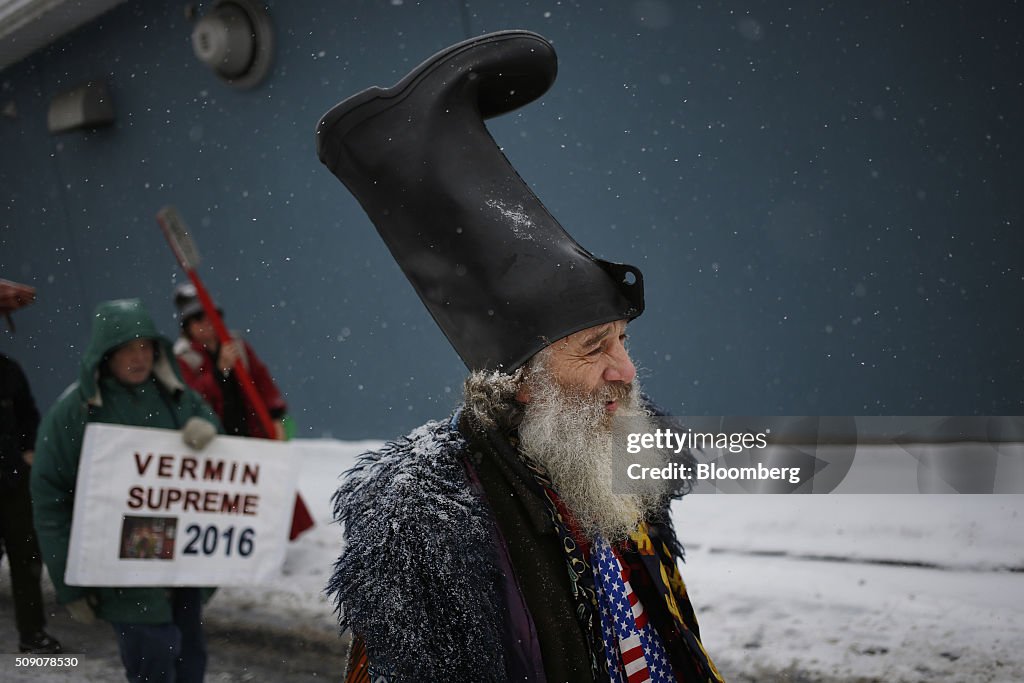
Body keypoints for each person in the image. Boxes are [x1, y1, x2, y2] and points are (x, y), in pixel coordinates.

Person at [317, 31, 724, 682]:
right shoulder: (428, 539)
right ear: (521, 382)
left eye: (623, 340)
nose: (625, 370)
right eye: (594, 348)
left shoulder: (616, 463)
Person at [32, 298, 221, 682]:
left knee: (190, 661)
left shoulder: (173, 393)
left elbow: (208, 424)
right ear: (105, 355)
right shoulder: (75, 412)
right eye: (127, 349)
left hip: (180, 567)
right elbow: (51, 501)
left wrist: (208, 430)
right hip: (121, 570)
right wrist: (69, 586)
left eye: (145, 347)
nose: (139, 357)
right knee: (152, 658)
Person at [0, 353, 62, 654]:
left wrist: (27, 449)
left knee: (27, 558)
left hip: (12, 479)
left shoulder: (8, 369)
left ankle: (32, 632)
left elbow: (28, 414)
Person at [172, 283, 288, 440]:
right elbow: (191, 398)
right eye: (198, 317)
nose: (207, 321)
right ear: (187, 326)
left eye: (211, 314)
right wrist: (218, 373)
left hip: (253, 434)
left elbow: (262, 382)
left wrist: (275, 417)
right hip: (213, 440)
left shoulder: (238, 346)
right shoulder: (183, 358)